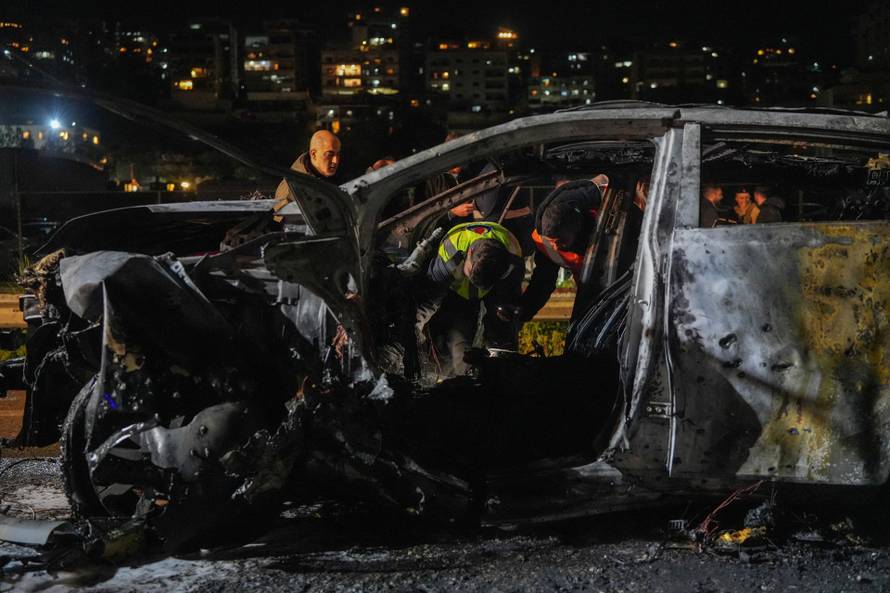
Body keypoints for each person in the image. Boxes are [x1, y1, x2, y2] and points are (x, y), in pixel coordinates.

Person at [416, 221, 524, 376]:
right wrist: (416, 325)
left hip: (497, 292)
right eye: (469, 272)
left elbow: (508, 302)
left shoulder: (512, 259)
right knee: (458, 343)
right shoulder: (449, 254)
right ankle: (462, 379)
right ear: (469, 252)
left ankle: (502, 377)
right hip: (458, 296)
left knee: (502, 332)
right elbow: (429, 299)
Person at [509, 175, 606, 322]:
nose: (555, 247)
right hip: (593, 298)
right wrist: (523, 311)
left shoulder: (605, 211)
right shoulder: (543, 241)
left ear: (577, 228)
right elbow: (543, 281)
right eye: (551, 242)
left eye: (561, 241)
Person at [274, 130, 341, 201]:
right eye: (329, 155)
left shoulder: (334, 173)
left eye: (338, 154)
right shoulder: (291, 192)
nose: (335, 161)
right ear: (314, 154)